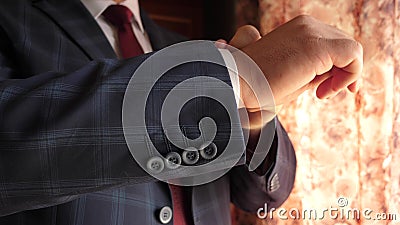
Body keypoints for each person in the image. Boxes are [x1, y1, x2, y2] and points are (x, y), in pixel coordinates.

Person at [0, 0, 362, 225]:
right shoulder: (13, 18)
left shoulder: (192, 46)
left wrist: (254, 119)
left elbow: (263, 197)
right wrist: (231, 76)